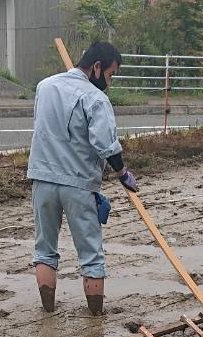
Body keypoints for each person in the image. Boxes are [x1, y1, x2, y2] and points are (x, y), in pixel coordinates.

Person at [27, 41, 138, 315]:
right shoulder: (96, 98)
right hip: (78, 183)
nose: (109, 83)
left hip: (42, 179)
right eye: (110, 75)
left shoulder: (45, 86)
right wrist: (122, 172)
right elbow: (105, 145)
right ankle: (96, 319)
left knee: (44, 250)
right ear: (97, 67)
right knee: (91, 255)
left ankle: (48, 312)